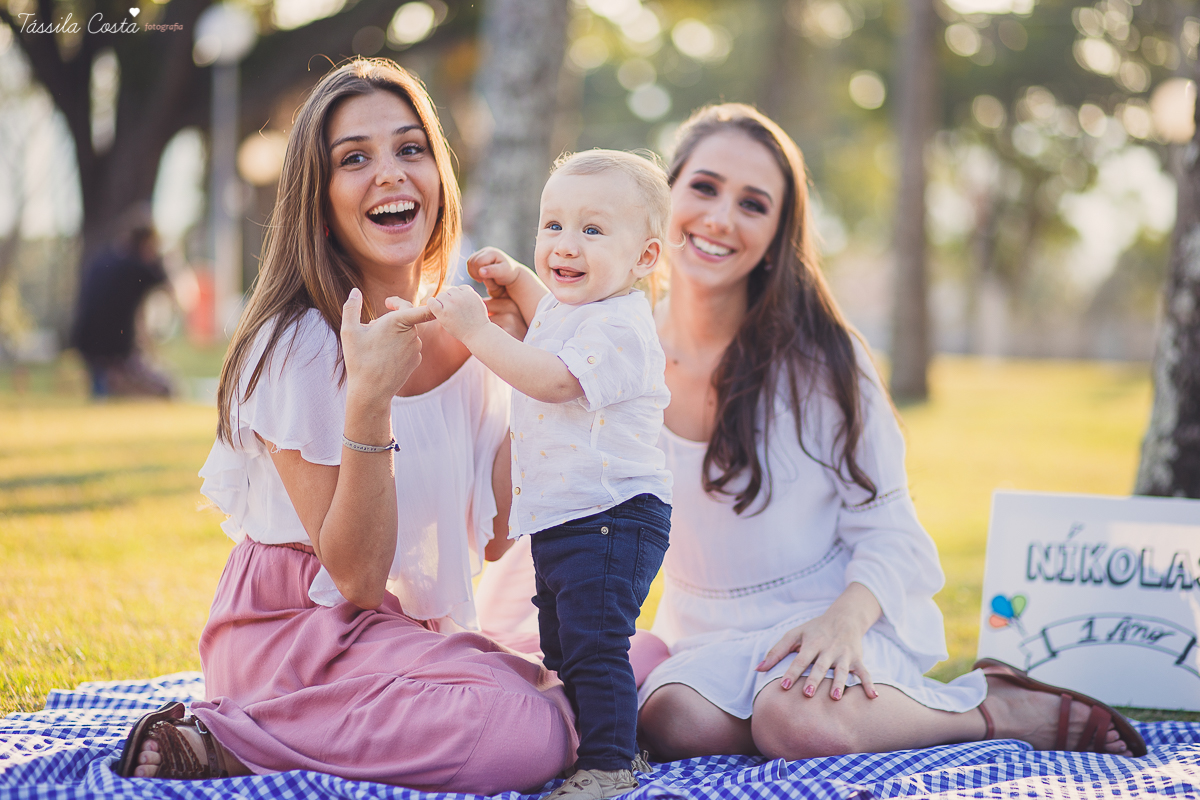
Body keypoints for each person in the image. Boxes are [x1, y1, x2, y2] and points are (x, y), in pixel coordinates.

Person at [477, 103, 1146, 761]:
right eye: (704, 187)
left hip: (837, 615)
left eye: (753, 203)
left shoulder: (824, 359)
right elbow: (562, 497)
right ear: (661, 206)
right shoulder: (608, 355)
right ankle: (797, 720)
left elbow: (893, 532)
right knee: (672, 720)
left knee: (797, 720)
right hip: (710, 641)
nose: (718, 217)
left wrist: (845, 620)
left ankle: (994, 706)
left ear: (778, 232)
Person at [113, 59, 577, 792]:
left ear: (438, 175)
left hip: (406, 642)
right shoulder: (295, 344)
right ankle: (239, 732)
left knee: (628, 666)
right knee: (523, 728)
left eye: (410, 148)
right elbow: (356, 579)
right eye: (353, 159)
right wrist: (368, 400)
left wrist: (528, 370)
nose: (390, 173)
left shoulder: (469, 329)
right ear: (319, 199)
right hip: (296, 638)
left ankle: (295, 730)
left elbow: (497, 535)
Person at [429, 150, 672, 800]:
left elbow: (554, 378)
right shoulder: (578, 307)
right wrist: (515, 275)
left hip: (613, 517)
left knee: (594, 643)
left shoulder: (621, 326)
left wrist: (477, 332)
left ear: (645, 258)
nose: (566, 245)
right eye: (553, 225)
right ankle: (615, 738)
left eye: (593, 230)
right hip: (571, 518)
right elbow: (547, 321)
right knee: (563, 645)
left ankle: (610, 766)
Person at [70, 212, 173, 398]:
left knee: (105, 384)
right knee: (168, 390)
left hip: (86, 346)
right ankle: (113, 384)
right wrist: (167, 257)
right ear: (147, 244)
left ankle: (106, 387)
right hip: (117, 353)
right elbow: (179, 293)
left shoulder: (103, 259)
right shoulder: (138, 266)